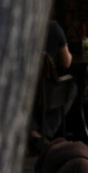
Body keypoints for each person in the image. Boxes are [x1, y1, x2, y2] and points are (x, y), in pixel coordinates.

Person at [29, 20, 76, 153]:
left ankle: (32, 131)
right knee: (72, 88)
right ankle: (44, 133)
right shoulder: (53, 28)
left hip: (25, 90)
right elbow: (67, 62)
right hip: (49, 92)